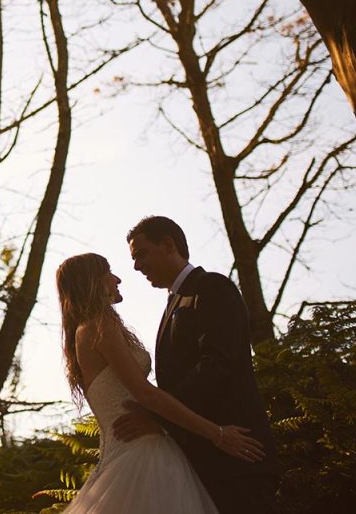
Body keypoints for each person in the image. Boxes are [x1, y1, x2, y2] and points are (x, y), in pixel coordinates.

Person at [55, 252, 264, 513]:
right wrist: (217, 434)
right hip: (141, 453)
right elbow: (146, 395)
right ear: (92, 281)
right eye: (108, 273)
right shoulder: (99, 326)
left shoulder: (86, 331)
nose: (117, 278)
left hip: (124, 453)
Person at [115, 216, 280, 513]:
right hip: (200, 459)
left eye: (140, 254)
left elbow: (216, 364)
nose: (136, 266)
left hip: (236, 454)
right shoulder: (173, 303)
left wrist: (158, 414)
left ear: (168, 244)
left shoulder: (211, 287)